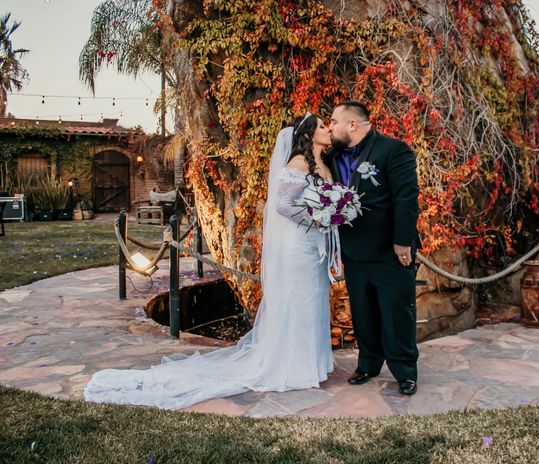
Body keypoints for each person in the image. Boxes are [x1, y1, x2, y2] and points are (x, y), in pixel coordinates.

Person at [84, 113, 335, 409]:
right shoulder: (297, 163)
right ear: (308, 134)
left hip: (313, 245)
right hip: (298, 244)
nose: (328, 129)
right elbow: (282, 205)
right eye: (322, 126)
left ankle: (312, 363)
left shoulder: (322, 165)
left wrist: (330, 214)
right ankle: (293, 366)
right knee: (298, 300)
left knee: (314, 298)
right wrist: (317, 218)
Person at [326, 100, 420, 395]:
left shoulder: (393, 150)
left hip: (390, 251)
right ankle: (368, 363)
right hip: (353, 251)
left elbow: (406, 196)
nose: (330, 127)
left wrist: (402, 240)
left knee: (396, 312)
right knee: (363, 311)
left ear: (352, 124)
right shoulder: (331, 156)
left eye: (334, 121)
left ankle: (405, 370)